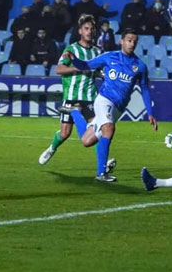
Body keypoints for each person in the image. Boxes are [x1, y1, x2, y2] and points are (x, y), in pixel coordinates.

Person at [64, 28, 157, 182]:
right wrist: (73, 58)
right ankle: (101, 173)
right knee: (109, 128)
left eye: (134, 41)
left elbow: (145, 89)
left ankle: (74, 111)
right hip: (104, 100)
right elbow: (85, 65)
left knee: (87, 141)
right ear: (122, 41)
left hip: (119, 108)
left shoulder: (140, 66)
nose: (131, 43)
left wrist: (150, 113)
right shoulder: (109, 57)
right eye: (129, 40)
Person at [39, 15, 104, 164]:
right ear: (80, 31)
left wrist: (104, 76)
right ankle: (52, 148)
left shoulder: (97, 52)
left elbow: (98, 71)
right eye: (86, 28)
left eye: (91, 29)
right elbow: (59, 69)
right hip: (71, 97)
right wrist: (77, 67)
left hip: (90, 98)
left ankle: (103, 163)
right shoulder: (71, 49)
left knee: (97, 130)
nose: (89, 31)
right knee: (65, 133)